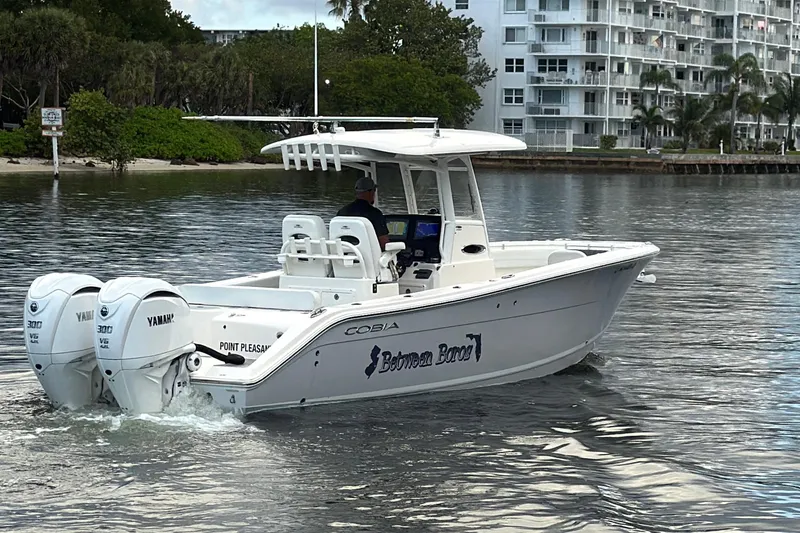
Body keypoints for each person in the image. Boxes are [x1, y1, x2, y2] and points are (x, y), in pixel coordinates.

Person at [337, 176, 389, 250]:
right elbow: (384, 243)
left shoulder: (341, 212)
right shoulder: (375, 214)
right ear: (370, 192)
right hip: (369, 259)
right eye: (374, 190)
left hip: (346, 257)